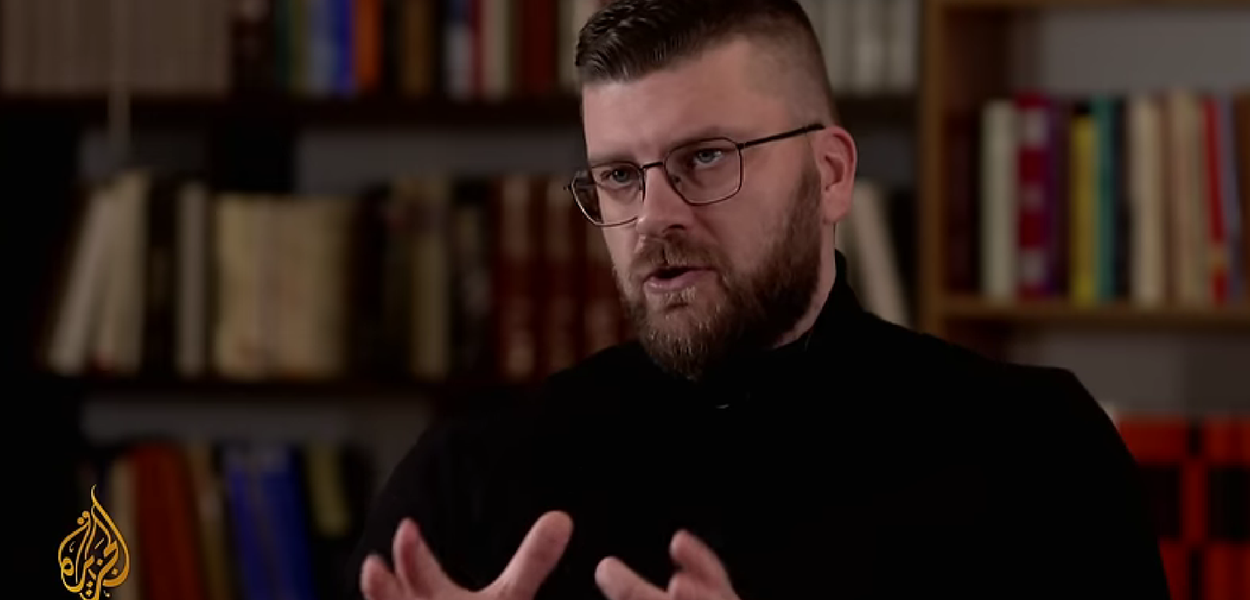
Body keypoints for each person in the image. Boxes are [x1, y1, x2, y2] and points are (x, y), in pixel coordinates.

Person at [349, 1, 1170, 599]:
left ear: (831, 175)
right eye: (620, 175)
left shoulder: (1036, 452)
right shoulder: (468, 480)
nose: (654, 216)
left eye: (706, 158)